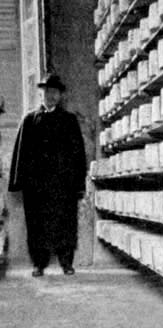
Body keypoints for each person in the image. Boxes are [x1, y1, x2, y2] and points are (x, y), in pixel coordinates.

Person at [8, 74, 87, 277]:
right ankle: (39, 264)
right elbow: (21, 153)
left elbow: (78, 155)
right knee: (37, 225)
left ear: (60, 95)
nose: (50, 96)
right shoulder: (30, 120)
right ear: (41, 94)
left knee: (65, 223)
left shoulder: (69, 121)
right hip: (37, 187)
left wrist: (78, 184)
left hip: (63, 185)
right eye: (46, 92)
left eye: (54, 92)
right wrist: (20, 182)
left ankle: (66, 263)